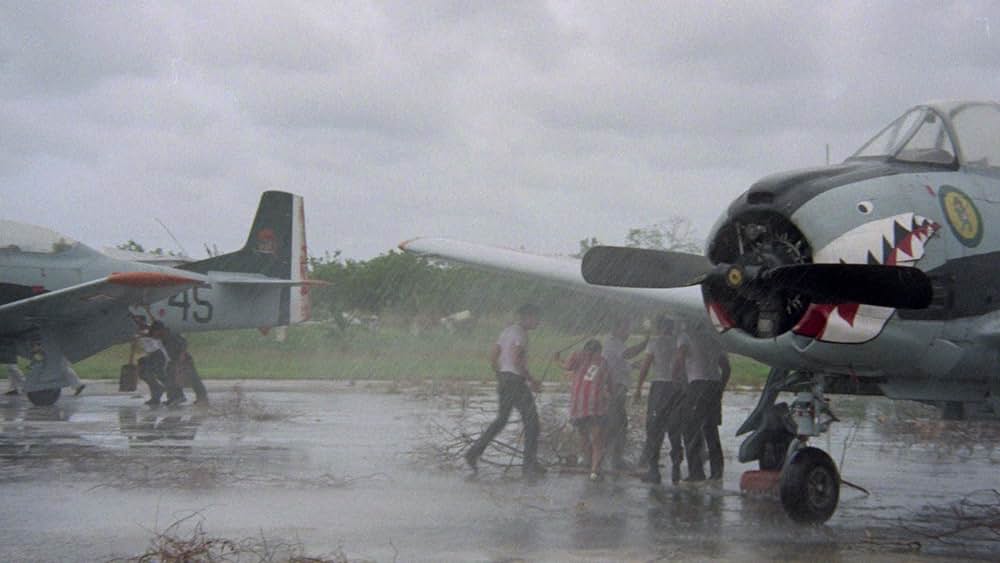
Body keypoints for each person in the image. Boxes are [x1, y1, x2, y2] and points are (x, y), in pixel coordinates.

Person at [465, 304, 545, 476]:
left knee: (501, 420)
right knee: (532, 422)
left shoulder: (507, 331)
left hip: (504, 380)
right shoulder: (520, 335)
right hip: (516, 381)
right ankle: (529, 465)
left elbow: (493, 355)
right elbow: (516, 359)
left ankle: (473, 452)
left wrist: (501, 375)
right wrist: (532, 380)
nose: (538, 321)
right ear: (528, 317)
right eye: (536, 318)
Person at [675, 322, 730, 482]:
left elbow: (679, 359)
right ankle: (717, 472)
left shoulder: (685, 336)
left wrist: (678, 381)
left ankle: (696, 472)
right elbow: (726, 368)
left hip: (697, 385)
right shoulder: (713, 339)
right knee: (711, 429)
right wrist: (720, 387)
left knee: (691, 429)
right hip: (713, 385)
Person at [635, 315, 686, 484]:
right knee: (675, 426)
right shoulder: (678, 342)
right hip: (677, 387)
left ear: (660, 328)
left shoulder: (655, 343)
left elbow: (645, 366)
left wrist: (638, 388)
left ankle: (654, 469)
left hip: (660, 386)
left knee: (654, 427)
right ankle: (677, 464)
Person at [602, 318, 648, 470]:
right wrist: (645, 343)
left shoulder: (616, 343)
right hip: (614, 388)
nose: (627, 333)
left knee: (616, 424)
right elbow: (628, 354)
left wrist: (633, 365)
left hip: (618, 388)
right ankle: (614, 460)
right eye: (625, 329)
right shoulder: (613, 342)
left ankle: (607, 457)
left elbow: (620, 362)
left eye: (628, 329)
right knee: (618, 424)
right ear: (616, 329)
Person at [563, 339, 612, 481]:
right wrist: (610, 395)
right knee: (598, 439)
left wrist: (557, 359)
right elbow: (609, 382)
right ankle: (595, 470)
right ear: (599, 351)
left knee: (583, 435)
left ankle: (588, 462)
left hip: (578, 405)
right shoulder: (602, 361)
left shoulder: (577, 356)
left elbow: (566, 367)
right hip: (594, 405)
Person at [153, 323, 208, 407]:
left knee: (193, 378)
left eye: (155, 332)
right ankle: (176, 397)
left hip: (184, 360)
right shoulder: (163, 337)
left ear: (160, 330)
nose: (154, 334)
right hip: (173, 360)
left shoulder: (172, 335)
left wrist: (181, 356)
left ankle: (202, 397)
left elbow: (184, 343)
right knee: (170, 378)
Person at [135, 319, 171, 406]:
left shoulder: (148, 334)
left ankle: (174, 394)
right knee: (147, 374)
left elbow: (153, 347)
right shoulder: (145, 334)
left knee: (159, 375)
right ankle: (156, 395)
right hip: (154, 355)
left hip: (157, 355)